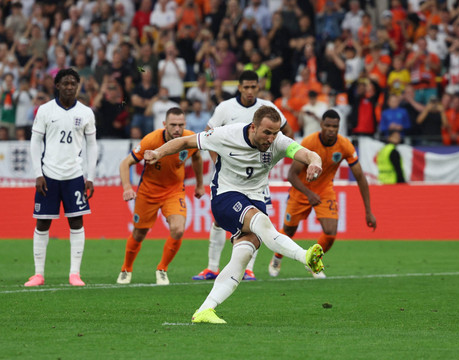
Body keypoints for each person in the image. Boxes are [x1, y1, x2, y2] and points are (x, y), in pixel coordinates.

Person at [144, 105, 325, 324]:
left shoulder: (278, 142)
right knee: (263, 223)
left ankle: (205, 310)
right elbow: (184, 142)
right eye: (266, 132)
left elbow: (308, 153)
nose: (271, 138)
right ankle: (305, 256)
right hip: (225, 196)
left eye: (275, 133)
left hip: (255, 197)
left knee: (243, 256)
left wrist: (315, 163)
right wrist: (157, 153)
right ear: (253, 127)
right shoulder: (226, 134)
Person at [192, 70, 293, 282]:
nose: (249, 91)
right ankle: (211, 268)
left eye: (253, 87)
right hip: (229, 174)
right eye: (245, 87)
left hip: (256, 178)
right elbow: (209, 133)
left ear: (258, 87)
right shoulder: (225, 108)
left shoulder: (268, 108)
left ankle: (248, 269)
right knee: (219, 220)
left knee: (257, 219)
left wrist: (271, 158)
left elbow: (287, 133)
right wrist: (217, 160)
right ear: (239, 87)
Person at [269, 110, 377, 278]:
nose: (331, 129)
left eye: (335, 126)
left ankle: (312, 261)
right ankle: (277, 257)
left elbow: (360, 178)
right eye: (328, 125)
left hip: (325, 190)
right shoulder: (309, 142)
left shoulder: (345, 146)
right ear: (321, 125)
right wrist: (308, 193)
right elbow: (291, 175)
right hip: (301, 190)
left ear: (339, 127)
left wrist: (368, 211)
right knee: (289, 231)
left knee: (331, 232)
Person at [25, 68, 98, 287]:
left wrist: (90, 177)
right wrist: (38, 173)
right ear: (57, 85)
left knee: (76, 221)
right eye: (65, 83)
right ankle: (38, 274)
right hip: (49, 175)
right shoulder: (45, 110)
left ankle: (74, 274)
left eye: (73, 83)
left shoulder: (86, 113)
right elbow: (35, 142)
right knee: (43, 222)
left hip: (74, 176)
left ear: (77, 85)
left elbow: (92, 146)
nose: (69, 87)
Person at [116, 107, 204, 285]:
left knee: (178, 229)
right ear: (165, 124)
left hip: (174, 191)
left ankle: (162, 269)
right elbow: (126, 163)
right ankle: (126, 268)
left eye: (180, 125)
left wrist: (200, 184)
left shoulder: (189, 139)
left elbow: (197, 158)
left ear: (185, 124)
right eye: (173, 125)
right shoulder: (151, 140)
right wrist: (127, 187)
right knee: (139, 233)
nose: (177, 129)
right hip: (148, 192)